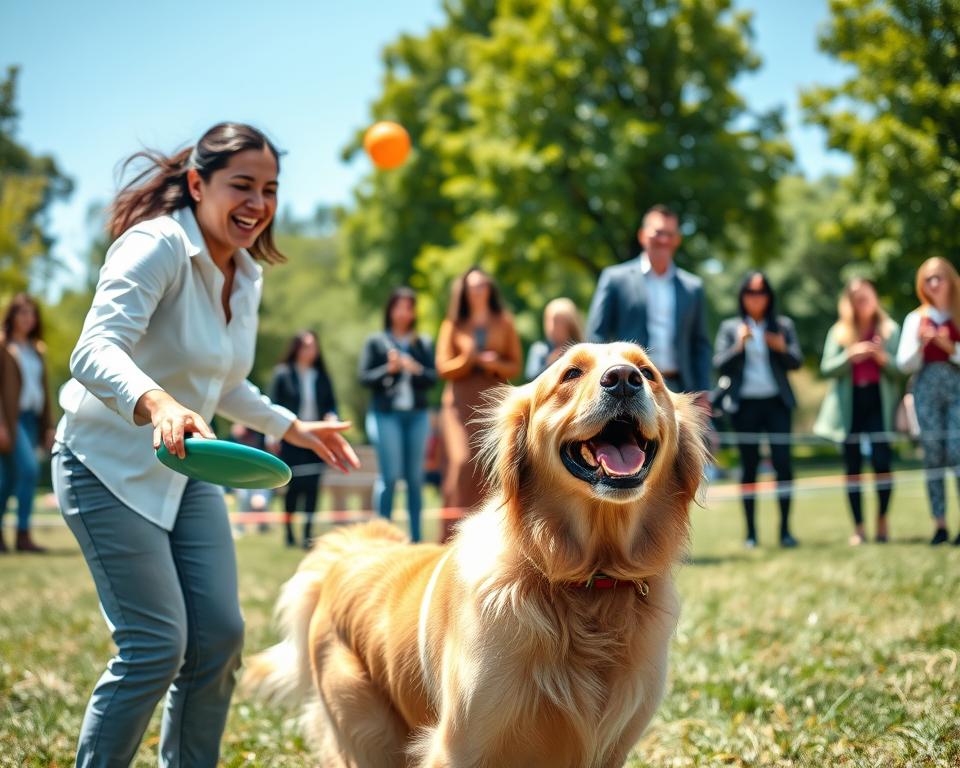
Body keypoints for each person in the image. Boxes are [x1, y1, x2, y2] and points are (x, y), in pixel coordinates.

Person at [51, 122, 359, 767]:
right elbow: (93, 349)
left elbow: (222, 379)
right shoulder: (157, 245)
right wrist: (158, 401)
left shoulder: (245, 274)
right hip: (101, 464)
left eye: (269, 189)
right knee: (156, 645)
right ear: (197, 184)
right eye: (241, 185)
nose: (258, 203)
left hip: (183, 470)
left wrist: (292, 427)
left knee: (219, 636)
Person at [713, 272, 802, 548]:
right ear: (742, 296)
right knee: (749, 467)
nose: (756, 298)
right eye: (750, 292)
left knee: (783, 464)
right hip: (745, 405)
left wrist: (782, 347)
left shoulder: (782, 326)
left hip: (777, 403)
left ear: (769, 296)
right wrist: (739, 345)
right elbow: (720, 363)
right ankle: (751, 533)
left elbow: (796, 361)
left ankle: (785, 530)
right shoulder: (731, 327)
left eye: (761, 292)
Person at [585, 204, 711, 395]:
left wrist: (703, 392)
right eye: (658, 232)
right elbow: (596, 336)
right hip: (629, 387)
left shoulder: (692, 287)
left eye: (670, 234)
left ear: (677, 239)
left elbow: (700, 345)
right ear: (643, 235)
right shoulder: (615, 279)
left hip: (680, 389)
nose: (663, 239)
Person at [436, 266, 521, 541]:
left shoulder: (504, 321)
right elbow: (442, 367)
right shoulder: (453, 324)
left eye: (483, 285)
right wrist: (467, 359)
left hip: (492, 403)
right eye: (473, 286)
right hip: (458, 404)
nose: (479, 291)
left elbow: (515, 365)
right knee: (461, 463)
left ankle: (487, 535)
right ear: (464, 291)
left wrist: (494, 363)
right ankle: (449, 537)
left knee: (490, 466)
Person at [814, 278, 901, 545]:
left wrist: (881, 358)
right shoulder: (839, 332)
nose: (862, 303)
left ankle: (883, 519)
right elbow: (826, 368)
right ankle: (859, 527)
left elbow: (903, 371)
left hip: (878, 402)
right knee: (852, 467)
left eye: (866, 297)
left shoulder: (890, 330)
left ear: (875, 297)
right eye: (856, 299)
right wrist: (850, 355)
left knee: (882, 462)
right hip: (850, 406)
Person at [359, 287, 437, 542]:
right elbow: (364, 378)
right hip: (386, 415)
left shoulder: (422, 342)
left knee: (415, 479)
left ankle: (415, 539)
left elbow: (433, 378)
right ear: (390, 310)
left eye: (409, 307)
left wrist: (415, 369)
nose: (404, 312)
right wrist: (389, 369)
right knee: (390, 476)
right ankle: (382, 537)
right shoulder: (376, 341)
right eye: (399, 306)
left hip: (415, 415)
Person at [896, 257, 960, 546]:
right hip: (926, 389)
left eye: (939, 277)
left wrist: (950, 347)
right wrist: (923, 345)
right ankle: (940, 524)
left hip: (956, 386)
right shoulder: (915, 319)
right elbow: (904, 364)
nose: (933, 284)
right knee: (933, 455)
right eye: (928, 279)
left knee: (958, 453)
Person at [270, 330, 339, 548]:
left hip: (316, 437)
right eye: (307, 346)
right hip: (291, 437)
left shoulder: (322, 376)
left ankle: (308, 533)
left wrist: (331, 417)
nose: (311, 350)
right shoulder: (283, 374)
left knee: (312, 486)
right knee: (292, 486)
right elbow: (271, 405)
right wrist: (272, 434)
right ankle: (289, 532)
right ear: (297, 348)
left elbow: (331, 404)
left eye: (314, 346)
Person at [0, 293, 53, 553]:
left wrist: (49, 426)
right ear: (12, 315)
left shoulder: (37, 349)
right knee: (30, 470)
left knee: (7, 479)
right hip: (11, 420)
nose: (27, 318)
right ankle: (22, 535)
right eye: (22, 313)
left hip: (32, 421)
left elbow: (43, 392)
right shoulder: (3, 346)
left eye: (31, 314)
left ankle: (12, 536)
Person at [525, 297, 584, 381]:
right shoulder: (540, 350)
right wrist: (550, 364)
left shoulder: (580, 349)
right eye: (551, 321)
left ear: (571, 324)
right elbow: (531, 378)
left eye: (560, 323)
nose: (553, 327)